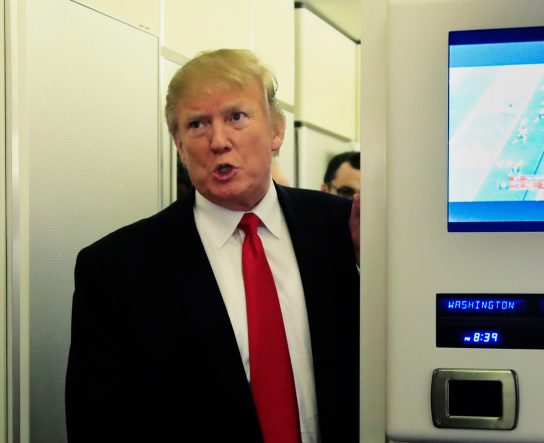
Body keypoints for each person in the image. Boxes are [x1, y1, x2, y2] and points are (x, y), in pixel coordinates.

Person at [66, 49, 360, 443]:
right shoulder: (118, 268)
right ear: (179, 143)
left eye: (236, 117)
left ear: (276, 130)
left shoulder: (343, 229)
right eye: (197, 124)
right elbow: (100, 426)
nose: (218, 141)